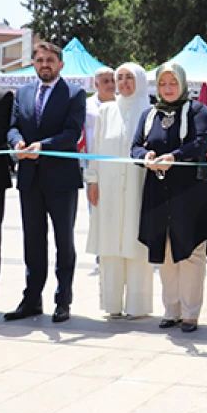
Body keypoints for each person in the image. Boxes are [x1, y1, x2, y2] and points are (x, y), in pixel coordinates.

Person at [131, 62, 207, 333]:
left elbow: (201, 142)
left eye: (172, 83)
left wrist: (174, 157)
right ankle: (172, 310)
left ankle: (191, 314)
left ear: (182, 84)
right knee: (166, 251)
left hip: (191, 192)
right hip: (159, 191)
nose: (168, 89)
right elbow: (135, 145)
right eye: (162, 84)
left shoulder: (197, 110)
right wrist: (144, 157)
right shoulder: (150, 114)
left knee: (192, 253)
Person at [5, 41, 87, 323]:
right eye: (39, 60)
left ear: (60, 64)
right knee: (33, 242)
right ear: (34, 64)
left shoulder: (74, 94)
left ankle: (63, 301)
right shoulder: (23, 93)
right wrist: (16, 142)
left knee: (64, 242)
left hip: (61, 180)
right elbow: (13, 125)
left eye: (50, 60)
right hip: (30, 179)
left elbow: (72, 132)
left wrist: (43, 145)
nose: (44, 65)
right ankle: (31, 300)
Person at [85, 63, 153, 319]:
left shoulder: (150, 111)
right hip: (109, 188)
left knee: (137, 246)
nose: (124, 83)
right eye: (120, 78)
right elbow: (96, 149)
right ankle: (112, 304)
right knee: (111, 245)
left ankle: (138, 306)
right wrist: (92, 179)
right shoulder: (106, 111)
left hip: (139, 186)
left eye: (129, 78)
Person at [84, 67, 115, 153]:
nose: (111, 85)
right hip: (93, 158)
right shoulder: (86, 105)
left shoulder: (122, 104)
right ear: (97, 84)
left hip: (116, 155)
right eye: (106, 81)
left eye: (113, 81)